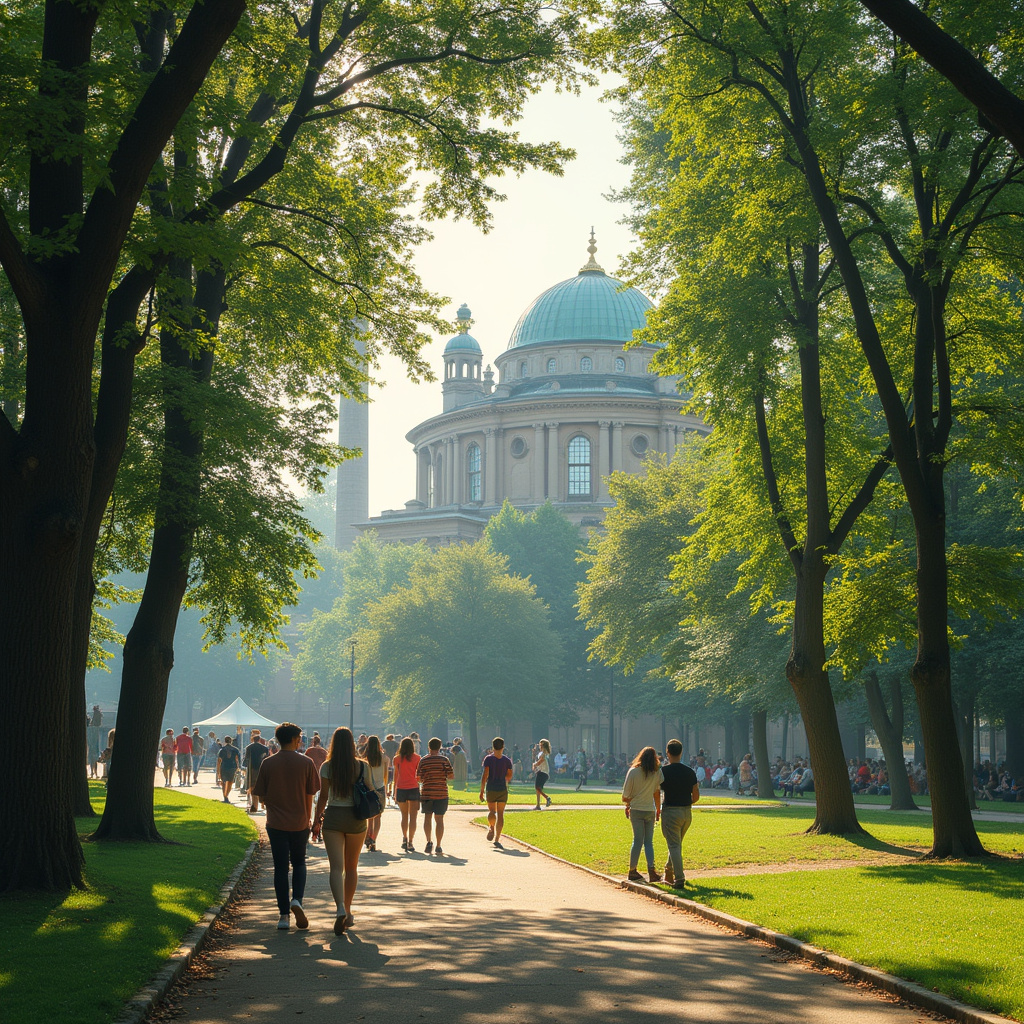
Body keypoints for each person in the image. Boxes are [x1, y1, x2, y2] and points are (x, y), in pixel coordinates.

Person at [251, 722, 321, 932]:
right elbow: (311, 793)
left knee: (280, 867)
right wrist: (310, 819)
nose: (301, 741)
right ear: (294, 739)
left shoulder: (269, 763)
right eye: (299, 738)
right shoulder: (307, 763)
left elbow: (261, 795)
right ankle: (297, 900)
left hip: (276, 822)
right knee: (299, 862)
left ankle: (283, 915)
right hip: (299, 821)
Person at [310, 727, 366, 934]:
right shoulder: (361, 766)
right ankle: (349, 911)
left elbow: (323, 797)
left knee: (336, 868)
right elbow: (370, 789)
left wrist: (316, 821)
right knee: (351, 868)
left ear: (333, 744)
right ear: (352, 744)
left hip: (333, 817)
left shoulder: (327, 766)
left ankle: (340, 907)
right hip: (356, 819)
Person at [659, 739, 699, 887]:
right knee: (676, 844)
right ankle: (668, 871)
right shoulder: (689, 772)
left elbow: (656, 791)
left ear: (667, 752)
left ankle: (679, 878)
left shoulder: (663, 772)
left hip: (670, 811)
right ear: (681, 752)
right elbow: (696, 796)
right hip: (686, 813)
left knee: (674, 845)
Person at [622, 745, 664, 883]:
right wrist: (658, 809)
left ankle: (632, 870)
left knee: (637, 840)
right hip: (649, 809)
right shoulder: (656, 772)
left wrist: (629, 803)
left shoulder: (633, 772)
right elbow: (657, 793)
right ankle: (652, 871)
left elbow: (625, 796)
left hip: (636, 809)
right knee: (648, 842)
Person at [417, 737, 454, 856]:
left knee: (427, 817)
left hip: (427, 792)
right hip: (441, 792)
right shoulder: (444, 760)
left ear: (429, 747)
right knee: (439, 819)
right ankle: (438, 845)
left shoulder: (423, 760)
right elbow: (451, 776)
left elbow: (418, 778)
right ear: (440, 747)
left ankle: (428, 841)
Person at [479, 736, 513, 849]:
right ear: (503, 747)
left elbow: (485, 775)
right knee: (501, 814)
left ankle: (491, 827)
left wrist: (481, 790)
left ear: (493, 747)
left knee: (492, 811)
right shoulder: (507, 761)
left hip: (491, 788)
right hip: (502, 789)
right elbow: (509, 776)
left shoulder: (488, 759)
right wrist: (505, 780)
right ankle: (497, 838)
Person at [393, 737, 421, 851]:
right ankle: (410, 841)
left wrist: (394, 792)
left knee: (404, 816)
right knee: (413, 817)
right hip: (413, 787)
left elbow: (396, 775)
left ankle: (404, 838)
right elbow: (418, 775)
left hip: (401, 788)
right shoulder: (417, 758)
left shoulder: (397, 759)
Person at [362, 734, 389, 852]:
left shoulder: (364, 758)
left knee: (369, 816)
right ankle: (373, 839)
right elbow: (386, 775)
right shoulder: (384, 758)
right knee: (378, 815)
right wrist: (386, 789)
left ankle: (368, 836)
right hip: (380, 787)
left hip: (368, 788)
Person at [243, 730, 270, 813]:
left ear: (253, 740)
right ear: (259, 740)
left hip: (252, 768)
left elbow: (246, 759)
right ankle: (261, 803)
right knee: (262, 785)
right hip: (262, 768)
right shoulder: (264, 748)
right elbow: (267, 758)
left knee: (252, 786)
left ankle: (254, 805)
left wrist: (244, 767)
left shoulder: (249, 747)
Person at [217, 735, 242, 803]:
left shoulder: (222, 750)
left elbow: (219, 761)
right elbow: (237, 759)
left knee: (224, 782)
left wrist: (218, 771)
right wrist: (238, 767)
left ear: (225, 741)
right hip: (232, 767)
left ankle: (225, 796)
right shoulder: (235, 750)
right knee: (230, 782)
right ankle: (226, 795)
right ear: (231, 741)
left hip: (224, 767)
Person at [533, 737, 553, 809]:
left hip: (543, 772)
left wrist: (535, 765)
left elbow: (540, 761)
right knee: (538, 789)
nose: (539, 746)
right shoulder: (542, 753)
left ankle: (547, 798)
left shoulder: (544, 754)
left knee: (537, 788)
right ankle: (538, 805)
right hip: (542, 772)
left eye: (540, 745)